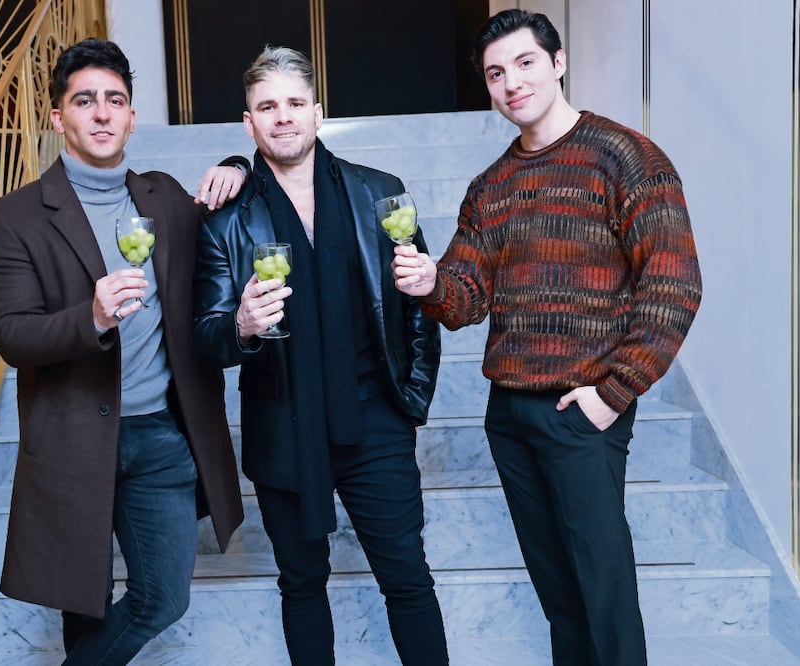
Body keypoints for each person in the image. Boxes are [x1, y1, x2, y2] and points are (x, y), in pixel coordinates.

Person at [392, 9, 702, 665]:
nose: (511, 83)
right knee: (559, 595)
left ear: (557, 63)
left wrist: (612, 393)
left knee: (603, 590)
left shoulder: (626, 157)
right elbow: (465, 298)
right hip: (509, 412)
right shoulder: (490, 186)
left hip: (581, 408)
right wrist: (431, 283)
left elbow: (674, 285)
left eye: (524, 63)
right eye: (494, 73)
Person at [0, 38, 246, 665]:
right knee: (85, 603)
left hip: (161, 436)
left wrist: (238, 164)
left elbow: (239, 216)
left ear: (131, 117)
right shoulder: (15, 217)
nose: (101, 113)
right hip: (72, 438)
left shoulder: (166, 199)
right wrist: (91, 317)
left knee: (163, 598)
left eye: (115, 100)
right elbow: (12, 335)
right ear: (58, 118)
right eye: (84, 101)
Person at [193, 46, 449, 665]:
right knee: (302, 583)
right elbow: (205, 334)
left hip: (376, 420)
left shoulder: (380, 193)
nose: (283, 117)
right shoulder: (224, 220)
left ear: (317, 112)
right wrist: (241, 326)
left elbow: (418, 302)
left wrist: (411, 399)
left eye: (294, 103)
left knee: (408, 580)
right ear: (248, 123)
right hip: (282, 424)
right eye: (267, 107)